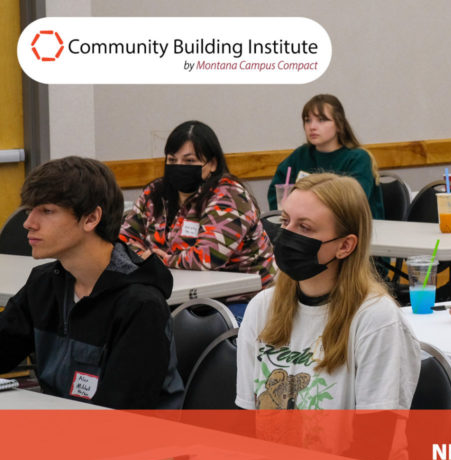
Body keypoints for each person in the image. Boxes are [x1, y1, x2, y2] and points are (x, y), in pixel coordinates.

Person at [0, 157, 183, 408]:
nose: (28, 223)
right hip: (64, 430)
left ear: (90, 218)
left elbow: (121, 416)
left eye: (47, 211)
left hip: (134, 441)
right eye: (31, 210)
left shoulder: (140, 306)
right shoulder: (44, 284)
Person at [236, 173, 420, 411]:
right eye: (285, 221)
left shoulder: (376, 319)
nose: (286, 234)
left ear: (345, 246)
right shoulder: (262, 307)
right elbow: (246, 416)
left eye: (304, 227)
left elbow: (376, 438)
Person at [120, 121, 277, 293]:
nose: (179, 166)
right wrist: (144, 258)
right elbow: (124, 240)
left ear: (212, 164)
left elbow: (207, 258)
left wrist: (158, 260)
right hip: (173, 292)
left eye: (189, 161)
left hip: (238, 298)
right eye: (172, 160)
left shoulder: (229, 196)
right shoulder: (155, 193)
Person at [266, 94, 384, 219]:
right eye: (307, 120)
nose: (312, 127)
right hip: (304, 227)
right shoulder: (300, 155)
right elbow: (276, 192)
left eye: (321, 120)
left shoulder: (358, 158)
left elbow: (353, 203)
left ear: (339, 125)